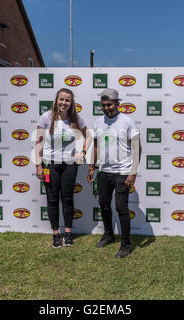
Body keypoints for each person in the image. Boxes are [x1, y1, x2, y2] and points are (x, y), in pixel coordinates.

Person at [87, 88, 141, 258]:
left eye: (109, 104)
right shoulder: (98, 122)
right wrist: (91, 167)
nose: (106, 108)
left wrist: (133, 173)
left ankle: (126, 244)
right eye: (103, 105)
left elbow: (137, 148)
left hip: (123, 171)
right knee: (103, 204)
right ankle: (109, 234)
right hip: (104, 171)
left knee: (121, 207)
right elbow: (95, 146)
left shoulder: (127, 121)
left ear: (118, 103)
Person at [35, 88, 90, 248]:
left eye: (67, 100)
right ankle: (55, 235)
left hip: (69, 166)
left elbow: (88, 136)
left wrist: (82, 152)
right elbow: (38, 142)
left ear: (71, 103)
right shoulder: (46, 117)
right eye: (61, 99)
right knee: (52, 200)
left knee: (67, 199)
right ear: (56, 100)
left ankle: (68, 233)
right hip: (49, 166)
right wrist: (38, 164)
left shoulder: (75, 118)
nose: (64, 103)